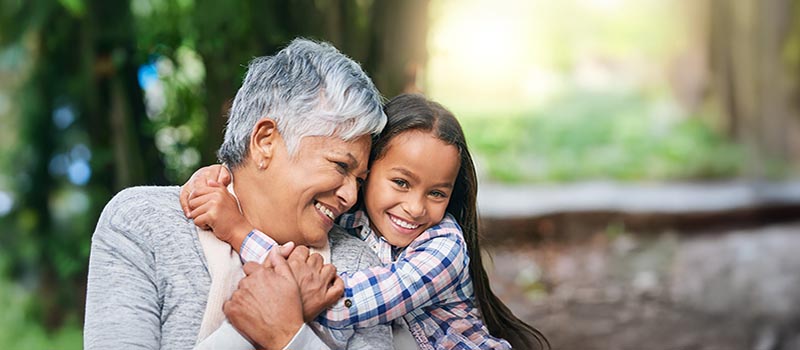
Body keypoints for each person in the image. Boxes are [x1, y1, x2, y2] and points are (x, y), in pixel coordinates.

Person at [83, 38, 393, 350]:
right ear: (265, 142)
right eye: (340, 165)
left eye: (360, 180)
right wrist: (251, 331)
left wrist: (288, 335)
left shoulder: (354, 266)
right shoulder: (146, 225)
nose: (351, 196)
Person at [182, 94, 550, 349]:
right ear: (367, 172)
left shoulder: (443, 246)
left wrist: (238, 232)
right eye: (401, 183)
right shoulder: (352, 215)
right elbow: (281, 195)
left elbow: (346, 304)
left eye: (437, 193)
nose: (416, 207)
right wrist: (221, 179)